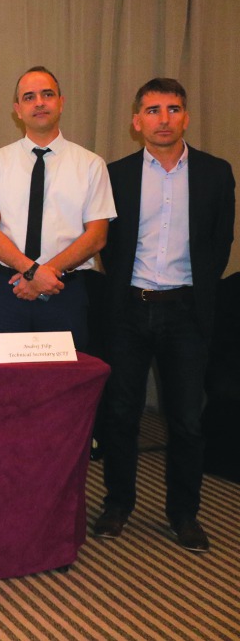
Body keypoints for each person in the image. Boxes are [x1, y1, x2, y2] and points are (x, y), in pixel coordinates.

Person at [93, 79, 234, 553]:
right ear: (137, 122)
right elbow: (105, 246)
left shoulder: (216, 173)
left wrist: (193, 296)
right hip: (128, 311)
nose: (164, 118)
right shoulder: (116, 175)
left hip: (187, 314)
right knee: (120, 415)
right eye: (152, 110)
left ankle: (183, 514)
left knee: (187, 421)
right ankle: (118, 505)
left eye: (173, 109)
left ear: (186, 117)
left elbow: (219, 243)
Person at [0, 66, 115, 348]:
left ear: (61, 102)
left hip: (65, 290)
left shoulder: (91, 164)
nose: (39, 102)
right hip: (6, 292)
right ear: (17, 109)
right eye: (29, 97)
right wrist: (31, 272)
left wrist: (44, 274)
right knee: (2, 385)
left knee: (64, 384)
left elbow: (97, 235)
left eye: (47, 94)